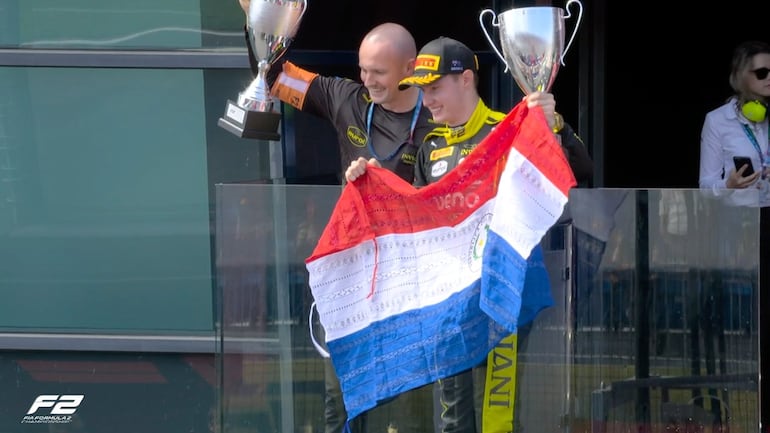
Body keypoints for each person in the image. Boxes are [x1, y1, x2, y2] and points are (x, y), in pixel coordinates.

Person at [345, 36, 593, 433]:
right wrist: (369, 179)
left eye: (435, 88)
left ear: (466, 80)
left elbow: (581, 172)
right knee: (453, 414)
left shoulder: (508, 130)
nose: (428, 100)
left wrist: (555, 126)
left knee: (500, 409)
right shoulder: (429, 145)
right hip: (450, 300)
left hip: (505, 293)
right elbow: (415, 217)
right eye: (422, 91)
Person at [236, 3, 436, 433]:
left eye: (378, 72)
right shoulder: (346, 98)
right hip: (350, 274)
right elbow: (273, 76)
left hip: (408, 280)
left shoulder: (438, 119)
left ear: (411, 67)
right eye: (363, 69)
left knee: (409, 401)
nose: (368, 80)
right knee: (338, 398)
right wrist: (259, 24)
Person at [698, 40, 770, 430]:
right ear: (741, 77)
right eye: (761, 72)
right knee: (744, 325)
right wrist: (730, 184)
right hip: (740, 225)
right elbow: (704, 183)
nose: (768, 79)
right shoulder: (718, 121)